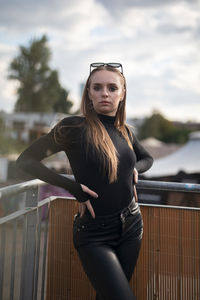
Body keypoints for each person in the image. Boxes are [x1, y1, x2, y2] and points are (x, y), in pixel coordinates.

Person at [16, 62, 153, 300]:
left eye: (112, 88)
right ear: (88, 94)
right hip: (94, 233)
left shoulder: (125, 131)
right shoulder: (73, 128)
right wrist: (73, 188)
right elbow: (26, 160)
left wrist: (134, 169)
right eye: (97, 87)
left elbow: (147, 158)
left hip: (132, 225)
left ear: (122, 94)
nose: (105, 93)